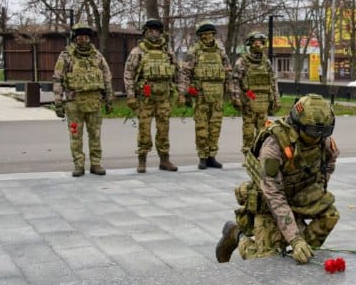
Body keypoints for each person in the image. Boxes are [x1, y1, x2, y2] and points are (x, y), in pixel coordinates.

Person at [215, 93, 340, 264]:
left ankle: (303, 253)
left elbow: (329, 162)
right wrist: (295, 238)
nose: (318, 137)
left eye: (324, 131)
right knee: (267, 262)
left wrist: (312, 190)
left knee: (330, 214)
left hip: (297, 196)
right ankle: (237, 235)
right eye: (312, 132)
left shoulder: (321, 140)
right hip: (269, 201)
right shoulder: (274, 145)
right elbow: (273, 195)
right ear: (298, 124)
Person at [52, 22, 114, 177]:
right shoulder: (66, 56)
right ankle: (78, 164)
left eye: (86, 36)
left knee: (95, 134)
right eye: (80, 36)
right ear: (75, 37)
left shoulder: (97, 56)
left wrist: (109, 98)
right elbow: (57, 79)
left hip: (94, 102)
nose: (83, 39)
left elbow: (107, 77)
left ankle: (96, 163)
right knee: (75, 136)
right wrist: (58, 102)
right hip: (74, 103)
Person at [123, 18, 179, 173]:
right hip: (145, 98)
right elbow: (128, 74)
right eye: (150, 31)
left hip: (164, 97)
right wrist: (130, 96)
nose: (154, 33)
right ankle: (142, 160)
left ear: (161, 33)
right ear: (145, 32)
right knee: (144, 129)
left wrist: (181, 93)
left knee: (164, 129)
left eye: (156, 31)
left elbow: (177, 72)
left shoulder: (167, 51)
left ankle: (164, 160)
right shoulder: (138, 51)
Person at [178, 21, 232, 169]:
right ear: (200, 36)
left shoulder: (220, 51)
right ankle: (202, 156)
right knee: (201, 126)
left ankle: (211, 156)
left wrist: (232, 92)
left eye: (209, 34)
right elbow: (184, 73)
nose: (207, 37)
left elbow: (228, 72)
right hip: (201, 95)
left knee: (215, 126)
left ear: (213, 35)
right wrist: (183, 93)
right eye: (204, 35)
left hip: (218, 96)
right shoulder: (194, 51)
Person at [230, 31, 280, 155]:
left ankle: (260, 153)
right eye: (255, 42)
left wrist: (276, 98)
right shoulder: (243, 61)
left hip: (263, 101)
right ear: (250, 44)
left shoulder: (266, 62)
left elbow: (273, 81)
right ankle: (248, 153)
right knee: (248, 128)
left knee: (263, 129)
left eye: (261, 42)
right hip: (248, 100)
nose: (258, 44)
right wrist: (236, 97)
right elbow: (234, 80)